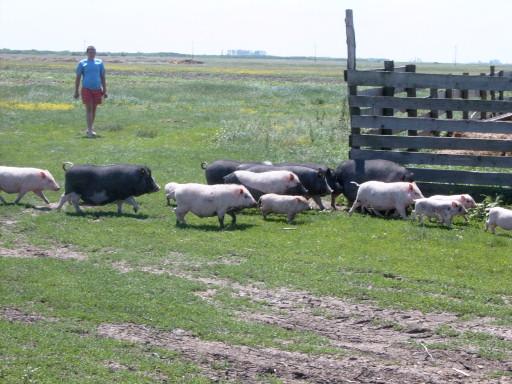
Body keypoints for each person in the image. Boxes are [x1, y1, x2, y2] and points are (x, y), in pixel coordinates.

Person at [74, 45, 107, 138]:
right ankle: (89, 131)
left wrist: (105, 90)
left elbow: (103, 77)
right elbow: (78, 78)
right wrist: (76, 91)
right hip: (86, 89)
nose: (92, 53)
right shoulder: (82, 63)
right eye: (90, 52)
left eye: (94, 52)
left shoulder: (99, 62)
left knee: (94, 109)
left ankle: (90, 128)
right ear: (87, 53)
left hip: (97, 89)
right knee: (89, 109)